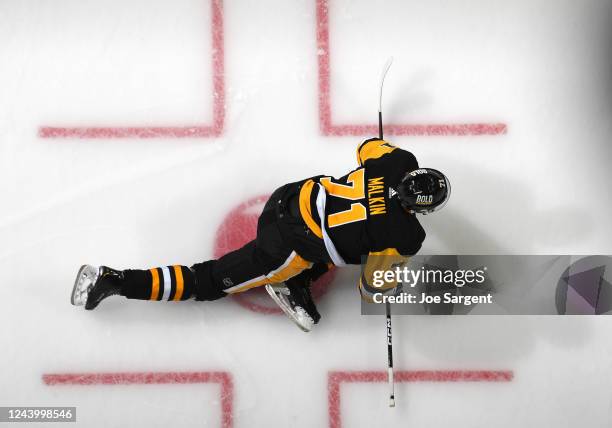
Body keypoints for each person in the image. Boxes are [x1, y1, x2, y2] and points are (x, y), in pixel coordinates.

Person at [71, 138, 450, 331]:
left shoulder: (400, 161)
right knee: (208, 281)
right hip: (283, 245)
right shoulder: (405, 237)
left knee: (332, 243)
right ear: (424, 209)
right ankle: (116, 280)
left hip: (286, 196)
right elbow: (372, 288)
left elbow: (366, 147)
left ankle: (296, 282)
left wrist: (383, 161)